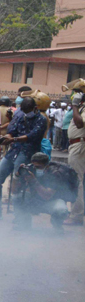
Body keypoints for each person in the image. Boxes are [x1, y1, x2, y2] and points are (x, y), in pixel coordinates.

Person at [0, 96, 47, 220]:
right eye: (24, 110)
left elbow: (32, 136)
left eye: (28, 110)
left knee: (18, 184)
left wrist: (14, 139)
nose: (26, 113)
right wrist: (7, 137)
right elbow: (13, 130)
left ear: (35, 108)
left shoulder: (41, 120)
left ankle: (20, 217)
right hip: (14, 151)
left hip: (27, 153)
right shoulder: (20, 115)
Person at [12, 153, 73, 233]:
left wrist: (33, 180)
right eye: (34, 166)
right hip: (34, 200)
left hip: (51, 202)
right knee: (17, 198)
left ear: (47, 166)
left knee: (61, 210)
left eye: (39, 167)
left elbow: (47, 196)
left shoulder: (55, 173)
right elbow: (14, 191)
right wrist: (16, 176)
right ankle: (24, 225)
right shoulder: (29, 171)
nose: (35, 168)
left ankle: (57, 226)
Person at [64, 81, 84, 225]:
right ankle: (77, 213)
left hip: (80, 145)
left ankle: (76, 215)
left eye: (77, 91)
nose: (74, 94)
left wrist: (75, 105)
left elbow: (79, 123)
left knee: (77, 180)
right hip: (76, 145)